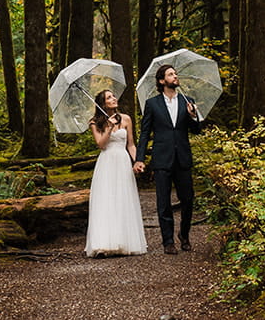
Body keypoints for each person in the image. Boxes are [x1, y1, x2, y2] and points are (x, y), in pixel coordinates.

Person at [134, 65, 205, 254]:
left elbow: (197, 130)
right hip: (162, 159)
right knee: (163, 202)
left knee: (188, 199)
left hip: (182, 158)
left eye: (175, 74)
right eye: (171, 74)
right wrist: (139, 159)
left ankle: (184, 234)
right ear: (161, 81)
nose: (175, 76)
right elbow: (144, 134)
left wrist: (193, 116)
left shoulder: (187, 101)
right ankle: (168, 241)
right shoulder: (152, 104)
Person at [84, 89, 147, 257]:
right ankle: (102, 244)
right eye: (109, 97)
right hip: (106, 162)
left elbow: (131, 144)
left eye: (113, 96)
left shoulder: (126, 118)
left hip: (122, 161)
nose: (114, 98)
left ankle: (124, 241)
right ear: (103, 104)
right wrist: (108, 129)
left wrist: (137, 161)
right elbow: (101, 144)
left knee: (122, 198)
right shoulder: (94, 122)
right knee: (106, 200)